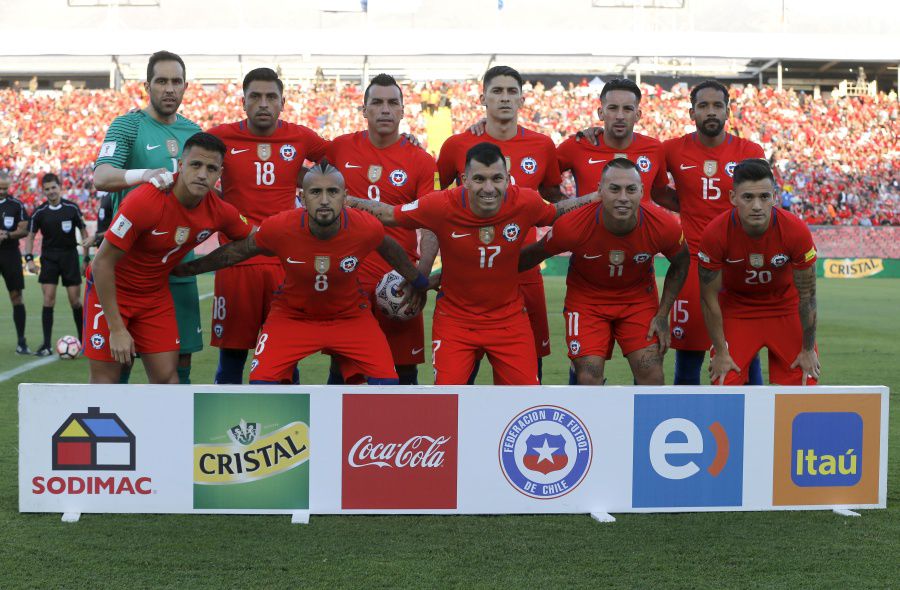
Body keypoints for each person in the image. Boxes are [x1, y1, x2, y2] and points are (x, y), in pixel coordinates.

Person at [347, 142, 598, 385]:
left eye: (496, 179)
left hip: (509, 320)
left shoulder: (526, 202)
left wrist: (599, 197)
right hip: (455, 322)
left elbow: (558, 211)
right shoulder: (441, 204)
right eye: (479, 179)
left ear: (507, 178)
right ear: (465, 180)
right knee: (448, 402)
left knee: (523, 402)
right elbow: (387, 214)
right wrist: (344, 203)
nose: (488, 188)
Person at [173, 162, 427, 385]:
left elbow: (389, 247)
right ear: (302, 198)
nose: (325, 200)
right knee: (261, 384)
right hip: (292, 316)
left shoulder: (365, 226)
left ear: (345, 197)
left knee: (387, 384)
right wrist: (190, 268)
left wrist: (418, 280)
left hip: (350, 316)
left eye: (333, 192)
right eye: (316, 192)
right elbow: (239, 251)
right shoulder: (281, 227)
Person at [84, 133, 252, 384]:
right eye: (196, 165)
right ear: (181, 165)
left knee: (168, 381)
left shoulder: (220, 210)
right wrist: (117, 328)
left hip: (154, 296)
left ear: (220, 174)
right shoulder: (145, 200)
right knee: (106, 384)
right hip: (112, 292)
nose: (203, 174)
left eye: (211, 168)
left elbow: (255, 240)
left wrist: (198, 267)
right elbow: (102, 263)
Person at [437, 65, 563, 382]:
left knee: (527, 374)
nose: (504, 98)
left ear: (521, 98)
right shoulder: (456, 146)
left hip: (524, 273)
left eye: (511, 92)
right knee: (458, 379)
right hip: (468, 282)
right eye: (497, 91)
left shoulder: (543, 145)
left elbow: (554, 199)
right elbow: (437, 205)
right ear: (483, 98)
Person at [206, 67, 329, 384]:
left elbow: (341, 157)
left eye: (271, 97)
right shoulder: (220, 137)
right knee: (231, 361)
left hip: (284, 265)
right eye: (255, 97)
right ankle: (224, 429)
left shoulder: (300, 137)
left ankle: (293, 431)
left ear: (283, 102)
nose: (263, 103)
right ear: (243, 102)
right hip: (236, 263)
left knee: (287, 361)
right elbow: (192, 171)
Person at [519, 158, 689, 385]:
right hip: (586, 300)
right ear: (599, 190)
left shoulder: (663, 226)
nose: (623, 198)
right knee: (588, 376)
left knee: (652, 375)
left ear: (641, 191)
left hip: (637, 299)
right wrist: (494, 272)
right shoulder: (572, 226)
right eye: (614, 189)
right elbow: (532, 255)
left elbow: (682, 261)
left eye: (631, 190)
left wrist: (662, 314)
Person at [93, 50, 204, 384]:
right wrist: (143, 175)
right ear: (147, 85)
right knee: (121, 357)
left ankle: (174, 432)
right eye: (161, 81)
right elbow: (102, 176)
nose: (169, 89)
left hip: (177, 262)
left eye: (176, 82)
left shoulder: (194, 132)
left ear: (185, 86)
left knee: (179, 360)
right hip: (131, 266)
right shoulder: (128, 125)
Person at [325, 73, 439, 385]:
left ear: (403, 111)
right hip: (348, 282)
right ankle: (338, 434)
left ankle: (402, 435)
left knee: (403, 372)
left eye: (392, 103)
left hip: (399, 280)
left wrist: (422, 276)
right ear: (364, 110)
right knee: (345, 372)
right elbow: (302, 179)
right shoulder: (338, 150)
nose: (385, 109)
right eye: (377, 102)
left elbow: (431, 223)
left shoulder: (421, 161)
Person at [660, 80, 767, 385]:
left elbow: (762, 200)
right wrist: (687, 204)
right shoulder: (672, 149)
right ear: (691, 112)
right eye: (703, 106)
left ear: (728, 111)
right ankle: (684, 424)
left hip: (736, 264)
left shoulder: (749, 150)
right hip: (693, 262)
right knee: (689, 356)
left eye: (717, 105)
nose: (710, 111)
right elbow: (654, 188)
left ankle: (751, 424)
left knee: (745, 355)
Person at [698, 159, 820, 386]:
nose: (757, 206)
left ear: (774, 196)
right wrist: (721, 353)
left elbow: (808, 296)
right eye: (748, 197)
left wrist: (807, 349)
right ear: (733, 198)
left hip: (785, 307)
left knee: (804, 380)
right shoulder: (715, 233)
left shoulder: (796, 231)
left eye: (764, 197)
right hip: (737, 309)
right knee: (724, 380)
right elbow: (708, 298)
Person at [557, 78, 668, 201]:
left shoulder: (655, 149)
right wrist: (572, 210)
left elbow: (661, 194)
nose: (620, 116)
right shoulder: (577, 145)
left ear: (637, 115)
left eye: (627, 109)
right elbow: (546, 185)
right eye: (613, 108)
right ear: (601, 113)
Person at [24, 173, 90, 356]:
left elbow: (84, 233)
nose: (51, 191)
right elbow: (30, 236)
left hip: (69, 256)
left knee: (75, 301)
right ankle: (46, 345)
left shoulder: (72, 208)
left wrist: (85, 258)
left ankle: (84, 342)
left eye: (53, 187)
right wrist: (29, 258)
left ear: (59, 187)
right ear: (43, 191)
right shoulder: (39, 212)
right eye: (47, 189)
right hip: (49, 258)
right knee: (48, 299)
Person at [0, 171, 31, 353]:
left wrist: (7, 235)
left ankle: (21, 342)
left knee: (16, 296)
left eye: (5, 188)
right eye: (0, 188)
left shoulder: (16, 205)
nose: (3, 191)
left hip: (10, 253)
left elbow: (24, 229)